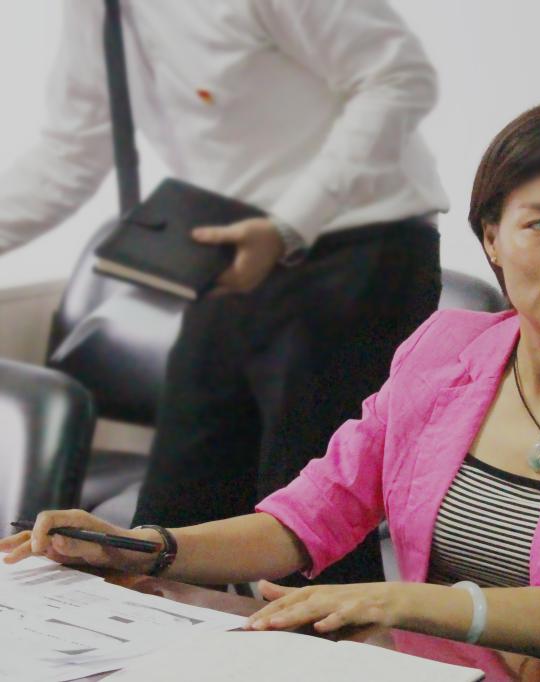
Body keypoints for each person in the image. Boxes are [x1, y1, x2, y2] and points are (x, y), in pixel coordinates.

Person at [1, 101, 540, 681]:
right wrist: (144, 548)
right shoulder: (443, 351)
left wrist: (391, 603)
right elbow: (311, 515)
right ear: (491, 238)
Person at [0, 1, 448, 586]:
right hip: (235, 255)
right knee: (164, 529)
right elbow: (71, 150)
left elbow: (398, 76)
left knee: (311, 537)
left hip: (359, 255)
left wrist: (290, 224)